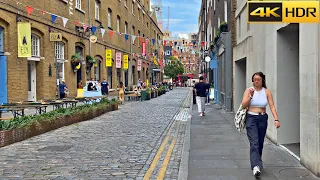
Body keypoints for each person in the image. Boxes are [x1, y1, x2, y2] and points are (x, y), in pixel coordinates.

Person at [241, 72, 280, 177]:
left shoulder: (267, 92)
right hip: (251, 118)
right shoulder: (249, 90)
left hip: (262, 118)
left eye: (258, 79)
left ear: (262, 80)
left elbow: (271, 106)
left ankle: (257, 161)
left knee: (260, 142)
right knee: (254, 142)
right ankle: (255, 167)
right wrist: (250, 96)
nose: (256, 81)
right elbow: (244, 105)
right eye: (254, 79)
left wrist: (276, 119)